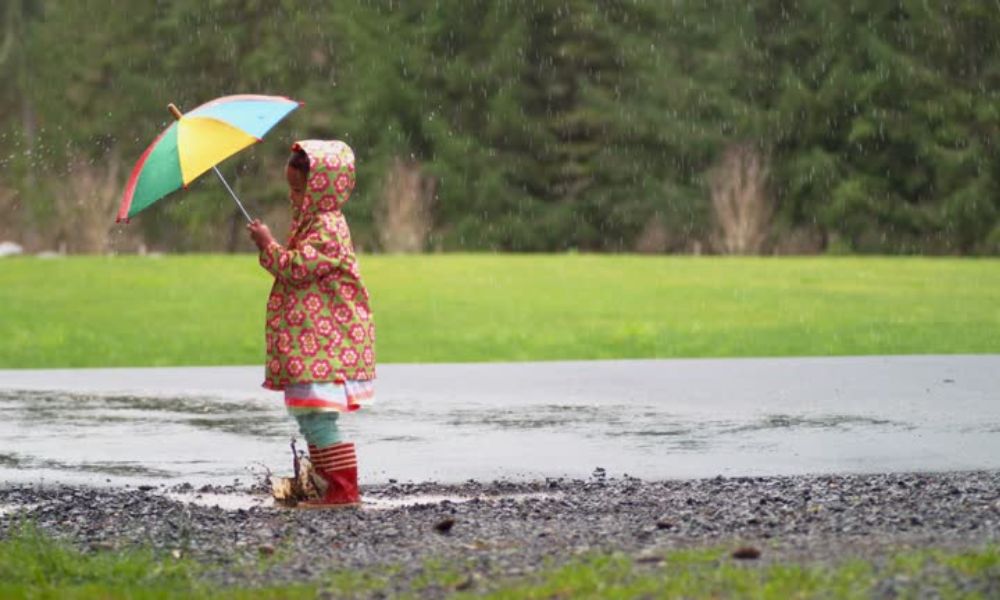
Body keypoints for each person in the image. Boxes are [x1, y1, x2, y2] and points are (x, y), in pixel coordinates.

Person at [247, 140, 376, 509]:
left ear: (322, 189)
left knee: (318, 415)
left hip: (325, 341)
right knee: (308, 414)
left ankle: (343, 492)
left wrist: (267, 245)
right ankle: (328, 486)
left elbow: (296, 270)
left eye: (300, 190)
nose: (294, 197)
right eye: (291, 189)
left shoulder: (327, 227)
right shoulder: (313, 222)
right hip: (313, 339)